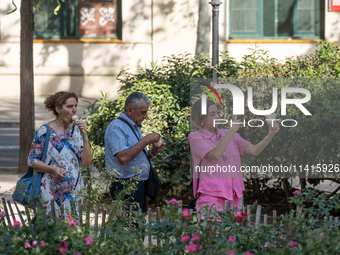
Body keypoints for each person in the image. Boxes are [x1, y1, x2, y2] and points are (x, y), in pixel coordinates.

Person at [188, 99, 279, 217]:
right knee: (212, 234)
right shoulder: (195, 137)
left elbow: (255, 150)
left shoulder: (230, 134)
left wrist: (270, 134)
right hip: (211, 196)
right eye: (212, 114)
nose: (217, 116)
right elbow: (215, 155)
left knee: (234, 235)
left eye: (217, 112)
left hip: (235, 195)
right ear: (201, 119)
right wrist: (231, 131)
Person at [28, 91, 92, 215]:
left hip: (74, 191)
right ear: (58, 109)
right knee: (52, 230)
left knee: (73, 231)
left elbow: (86, 162)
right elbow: (32, 160)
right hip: (50, 192)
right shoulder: (45, 131)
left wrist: (85, 137)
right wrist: (53, 170)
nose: (74, 110)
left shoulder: (77, 131)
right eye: (69, 106)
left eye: (75, 106)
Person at [105, 92, 166, 213]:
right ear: (130, 110)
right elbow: (123, 158)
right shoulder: (116, 127)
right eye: (143, 112)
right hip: (124, 186)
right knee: (128, 228)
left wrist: (152, 152)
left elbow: (135, 157)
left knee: (138, 228)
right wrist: (146, 140)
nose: (145, 116)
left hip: (138, 187)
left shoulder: (133, 126)